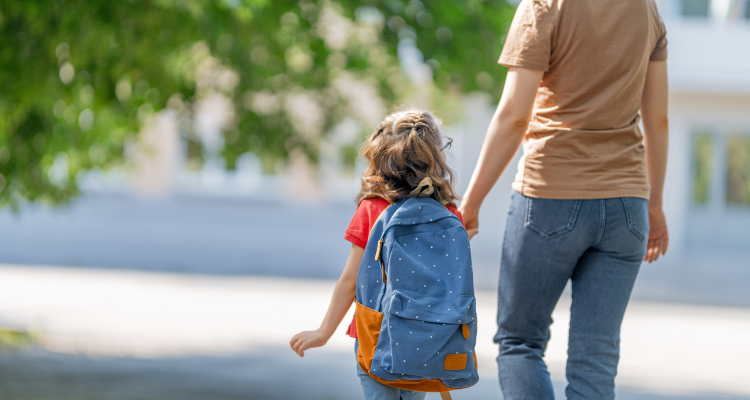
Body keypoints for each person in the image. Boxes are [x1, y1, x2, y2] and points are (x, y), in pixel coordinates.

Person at [458, 0, 670, 399]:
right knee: (596, 360)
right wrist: (654, 205)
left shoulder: (544, 6)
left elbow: (514, 116)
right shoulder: (646, 8)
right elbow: (658, 117)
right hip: (628, 205)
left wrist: (471, 201)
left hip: (550, 194)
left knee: (520, 342)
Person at [290, 109, 475, 400]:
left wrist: (323, 331)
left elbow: (351, 279)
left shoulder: (373, 209)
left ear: (380, 156)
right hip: (428, 337)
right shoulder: (449, 213)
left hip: (374, 335)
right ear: (435, 160)